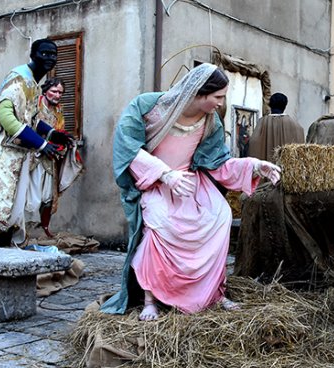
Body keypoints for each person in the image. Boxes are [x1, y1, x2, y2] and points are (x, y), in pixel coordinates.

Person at [100, 64, 281, 321]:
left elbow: (218, 163)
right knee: (160, 223)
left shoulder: (210, 122)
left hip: (191, 184)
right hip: (157, 181)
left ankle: (213, 293)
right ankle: (150, 300)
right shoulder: (148, 107)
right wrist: (165, 174)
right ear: (199, 93)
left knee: (220, 215)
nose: (221, 104)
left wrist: (254, 166)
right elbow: (128, 148)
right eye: (217, 97)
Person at [0, 38, 74, 246]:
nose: (50, 58)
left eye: (54, 54)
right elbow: (6, 114)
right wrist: (41, 144)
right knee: (1, 203)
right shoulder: (18, 79)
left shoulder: (34, 85)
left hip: (23, 155)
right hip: (8, 153)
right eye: (45, 53)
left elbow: (33, 119)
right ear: (33, 55)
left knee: (15, 206)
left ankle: (6, 245)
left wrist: (52, 134)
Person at [34, 77, 84, 237]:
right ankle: (27, 228)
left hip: (51, 157)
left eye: (60, 92)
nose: (57, 95)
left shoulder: (59, 110)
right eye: (54, 91)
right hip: (34, 154)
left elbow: (59, 130)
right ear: (45, 90)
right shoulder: (36, 103)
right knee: (32, 192)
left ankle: (44, 228)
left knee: (49, 195)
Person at [247, 92, 305, 161]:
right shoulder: (296, 127)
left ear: (270, 105)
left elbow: (253, 145)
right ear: (285, 105)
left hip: (266, 170)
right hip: (286, 170)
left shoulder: (262, 123)